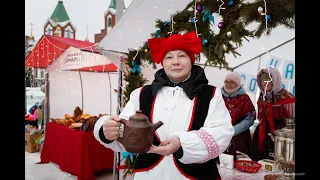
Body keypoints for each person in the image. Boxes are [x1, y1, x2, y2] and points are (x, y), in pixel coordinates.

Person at [93, 31, 234, 180]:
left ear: (191, 60)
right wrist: (107, 131)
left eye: (182, 55)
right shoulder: (142, 94)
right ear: (162, 62)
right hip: (150, 175)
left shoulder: (211, 94)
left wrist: (181, 144)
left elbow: (221, 133)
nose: (175, 62)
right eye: (169, 57)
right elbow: (126, 133)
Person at [250, 68, 295, 161]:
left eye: (268, 80)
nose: (265, 83)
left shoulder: (287, 97)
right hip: (263, 132)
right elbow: (260, 116)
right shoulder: (262, 97)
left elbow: (292, 119)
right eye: (262, 81)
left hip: (282, 135)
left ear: (275, 80)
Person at [221, 72, 255, 156]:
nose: (228, 84)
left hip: (239, 138)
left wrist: (232, 130)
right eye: (226, 82)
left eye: (232, 82)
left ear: (238, 84)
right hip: (220, 136)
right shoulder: (218, 97)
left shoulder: (244, 98)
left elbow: (249, 119)